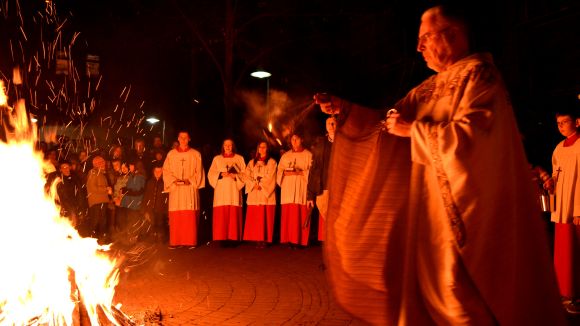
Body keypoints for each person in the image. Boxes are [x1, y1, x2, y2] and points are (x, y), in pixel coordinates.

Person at [315, 4, 565, 325]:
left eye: (425, 38)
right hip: (426, 218)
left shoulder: (479, 75)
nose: (418, 47)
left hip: (464, 217)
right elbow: (385, 125)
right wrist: (344, 109)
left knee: (459, 296)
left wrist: (413, 130)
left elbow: (475, 137)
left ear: (453, 35)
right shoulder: (426, 89)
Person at [545, 110, 580, 314]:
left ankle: (575, 295)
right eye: (558, 123)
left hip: (575, 209)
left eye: (564, 122)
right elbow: (557, 174)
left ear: (577, 121)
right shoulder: (559, 148)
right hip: (561, 209)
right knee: (563, 252)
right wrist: (551, 185)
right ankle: (566, 293)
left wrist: (578, 209)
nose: (561, 126)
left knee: (575, 251)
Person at [163, 131, 205, 248]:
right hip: (176, 189)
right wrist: (173, 180)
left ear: (189, 139)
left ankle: (190, 241)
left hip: (189, 188)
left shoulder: (195, 154)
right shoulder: (171, 154)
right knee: (176, 214)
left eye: (185, 137)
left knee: (189, 214)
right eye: (181, 137)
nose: (183, 139)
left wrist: (190, 180)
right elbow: (166, 171)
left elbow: (199, 171)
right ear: (178, 138)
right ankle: (176, 241)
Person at [277, 132, 312, 248]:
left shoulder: (308, 155)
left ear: (301, 140)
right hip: (288, 188)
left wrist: (301, 172)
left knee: (299, 214)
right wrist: (284, 173)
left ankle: (299, 240)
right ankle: (288, 239)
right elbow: (279, 171)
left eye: (296, 139)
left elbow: (313, 172)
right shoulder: (285, 156)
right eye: (292, 140)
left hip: (301, 187)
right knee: (289, 214)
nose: (294, 142)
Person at [208, 139, 246, 245]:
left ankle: (233, 238)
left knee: (233, 212)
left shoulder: (239, 158)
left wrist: (235, 176)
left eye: (230, 145)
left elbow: (245, 174)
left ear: (233, 146)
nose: (228, 147)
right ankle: (222, 238)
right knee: (222, 213)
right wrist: (220, 174)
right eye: (226, 145)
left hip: (234, 189)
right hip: (221, 191)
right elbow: (211, 174)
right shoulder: (217, 159)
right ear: (223, 146)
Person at [242, 141, 277, 247]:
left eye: (264, 147)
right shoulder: (252, 162)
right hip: (254, 192)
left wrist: (261, 185)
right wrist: (253, 184)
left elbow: (271, 177)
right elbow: (246, 175)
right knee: (256, 216)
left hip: (265, 192)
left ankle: (265, 239)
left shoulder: (272, 162)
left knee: (265, 216)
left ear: (267, 149)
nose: (261, 149)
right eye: (260, 147)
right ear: (257, 149)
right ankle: (257, 238)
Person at [307, 117, 336, 242]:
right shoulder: (320, 143)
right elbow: (314, 170)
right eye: (329, 123)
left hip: (341, 189)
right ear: (325, 126)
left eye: (334, 122)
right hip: (323, 189)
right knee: (329, 223)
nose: (331, 125)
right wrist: (310, 195)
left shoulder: (345, 142)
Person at [85, 155, 112, 242]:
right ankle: (92, 240)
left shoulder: (101, 173)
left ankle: (101, 240)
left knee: (102, 222)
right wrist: (106, 189)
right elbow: (92, 187)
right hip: (96, 202)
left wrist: (108, 189)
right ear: (95, 164)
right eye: (100, 162)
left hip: (102, 201)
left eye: (103, 162)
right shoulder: (93, 172)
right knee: (96, 221)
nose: (103, 164)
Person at [142, 163, 169, 243]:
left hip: (161, 209)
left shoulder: (164, 183)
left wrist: (166, 210)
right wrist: (145, 210)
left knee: (160, 223)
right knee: (152, 223)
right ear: (153, 172)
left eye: (159, 171)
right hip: (151, 208)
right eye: (156, 171)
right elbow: (146, 196)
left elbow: (167, 197)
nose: (157, 173)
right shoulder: (150, 182)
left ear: (162, 172)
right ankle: (153, 237)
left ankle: (161, 238)